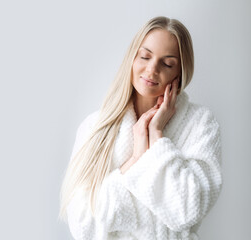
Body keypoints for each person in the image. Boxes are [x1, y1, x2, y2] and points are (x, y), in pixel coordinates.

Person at [59, 16, 223, 240]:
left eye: (167, 63)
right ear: (132, 59)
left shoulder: (200, 123)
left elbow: (187, 210)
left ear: (180, 74)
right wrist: (136, 158)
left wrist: (156, 136)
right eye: (145, 56)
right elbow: (82, 227)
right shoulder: (94, 127)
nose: (152, 69)